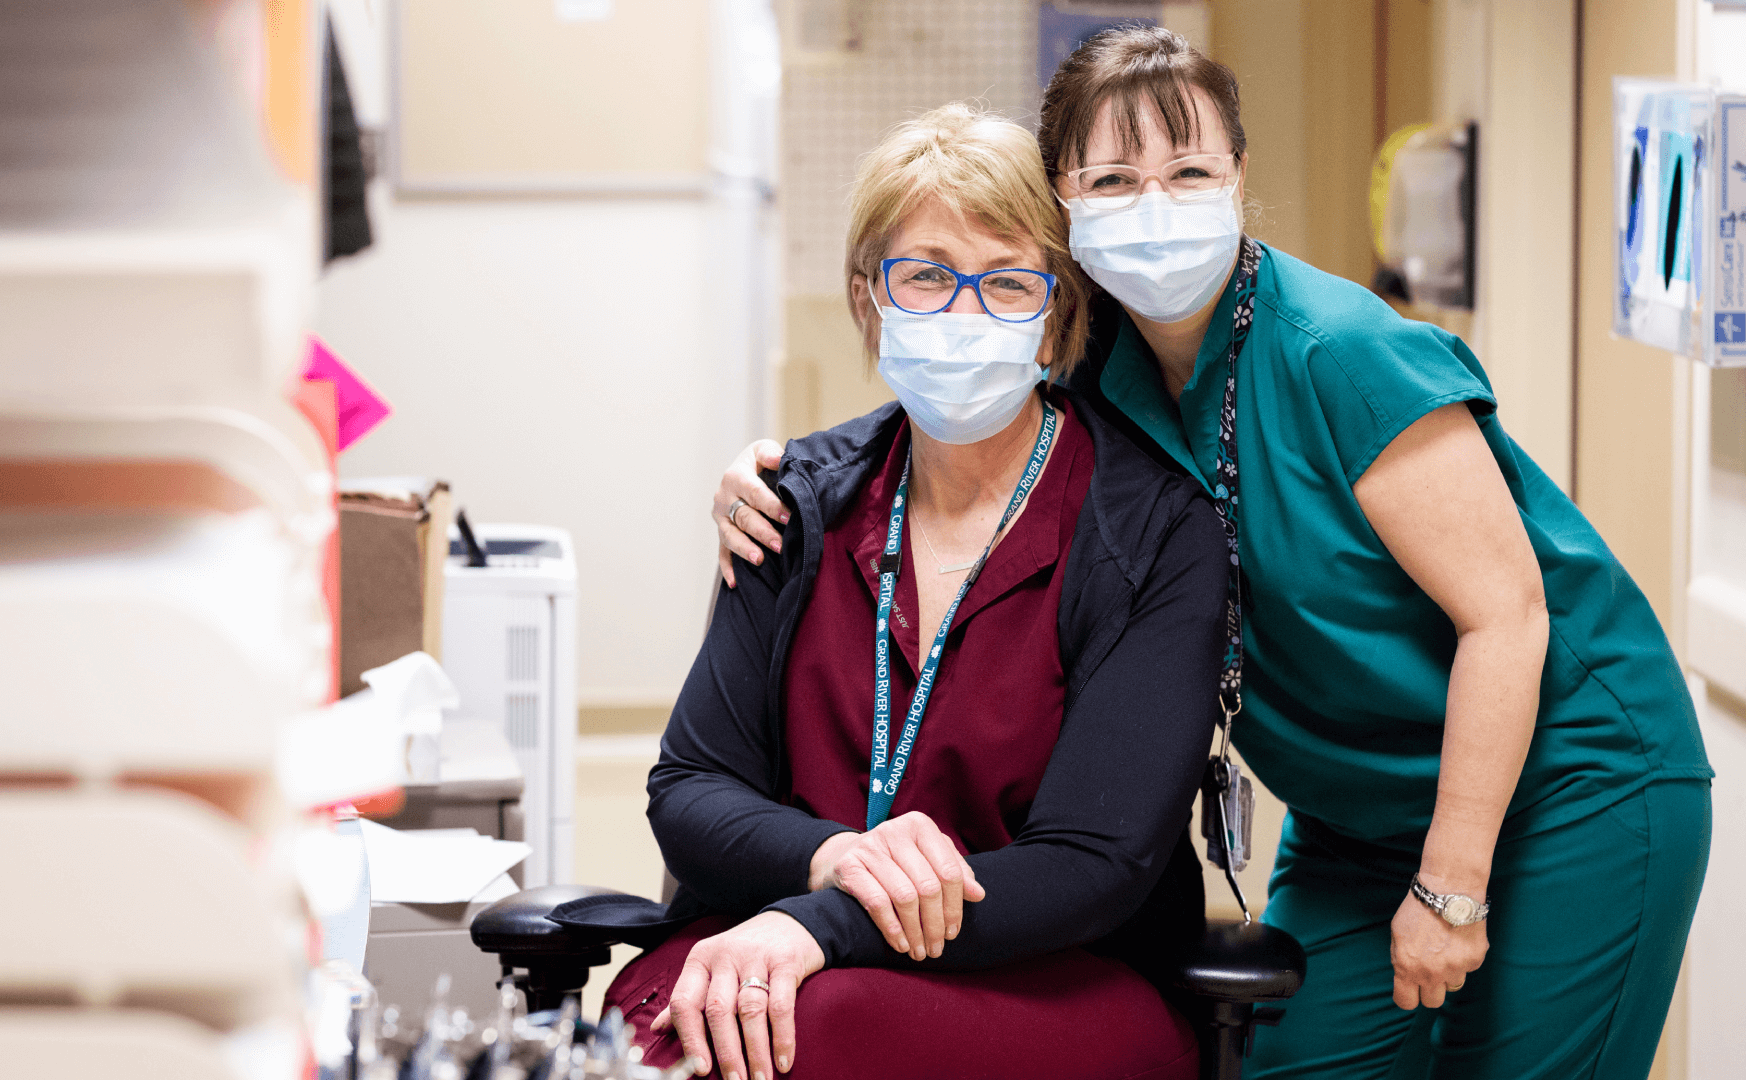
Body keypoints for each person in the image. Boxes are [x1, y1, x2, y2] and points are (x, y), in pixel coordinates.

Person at [714, 27, 1713, 1080]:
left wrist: (1451, 890)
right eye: (1113, 177)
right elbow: (956, 395)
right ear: (1063, 199)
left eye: (1188, 170)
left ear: (1238, 174)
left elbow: (1505, 615)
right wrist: (777, 468)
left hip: (1571, 786)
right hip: (1356, 813)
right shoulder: (1097, 358)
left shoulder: (1343, 353)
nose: (1155, 204)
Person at [608, 102, 1228, 1080]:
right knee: (654, 1017)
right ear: (868, 300)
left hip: (1053, 973)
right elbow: (689, 787)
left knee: (802, 1027)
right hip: (795, 936)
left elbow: (1091, 863)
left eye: (1009, 281)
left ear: (1058, 307)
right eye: (928, 276)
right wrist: (830, 861)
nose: (965, 313)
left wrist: (826, 923)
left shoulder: (1153, 533)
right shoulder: (794, 504)